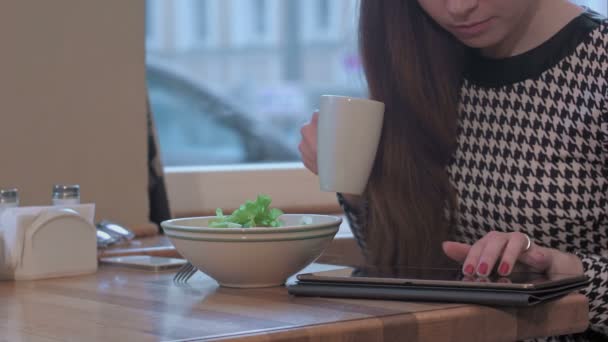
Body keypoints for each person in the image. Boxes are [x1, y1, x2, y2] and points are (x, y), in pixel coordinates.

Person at [298, 1, 608, 340]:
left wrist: (561, 271)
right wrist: (354, 184)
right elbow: (400, 265)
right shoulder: (424, 58)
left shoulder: (597, 64)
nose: (458, 8)